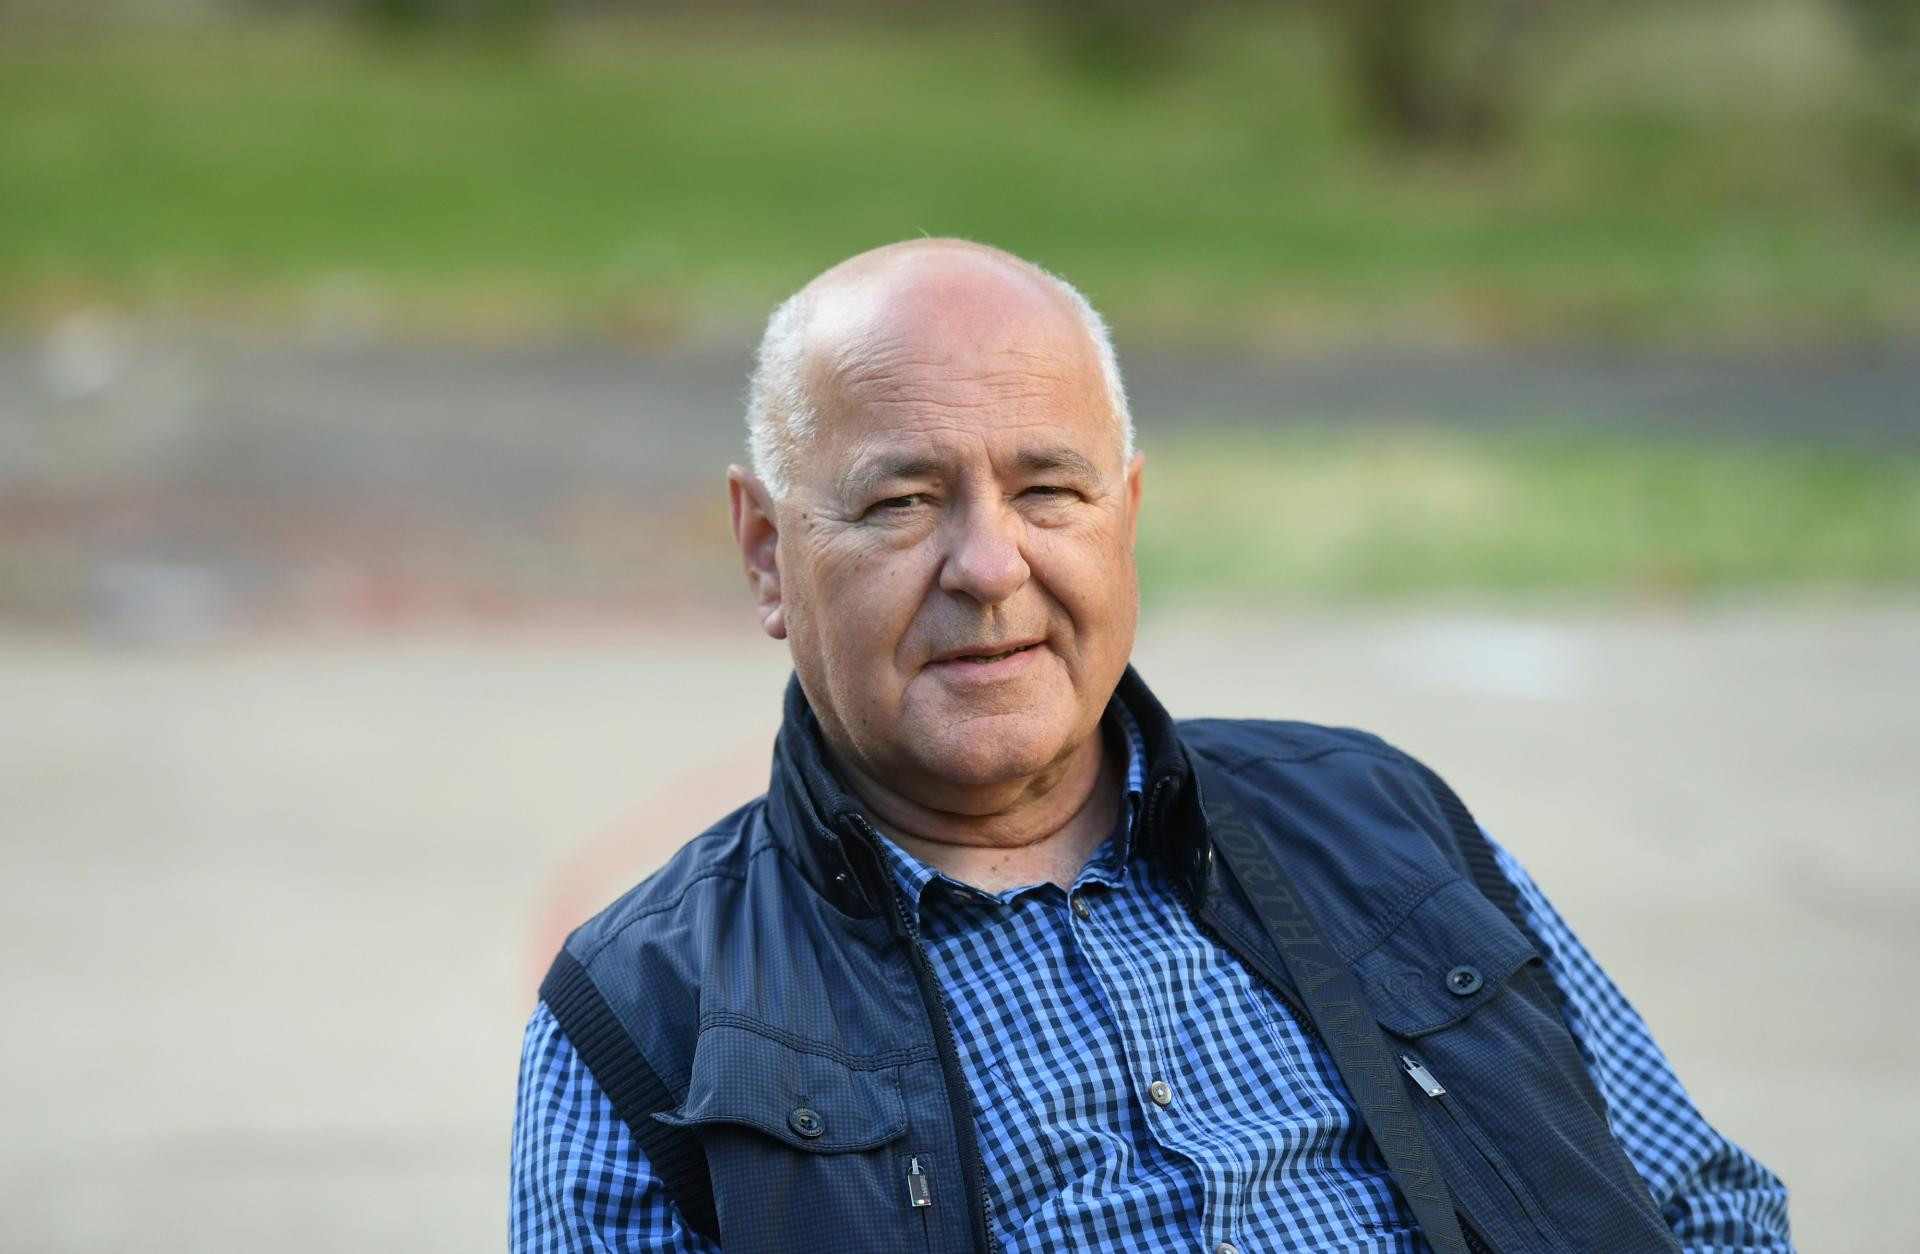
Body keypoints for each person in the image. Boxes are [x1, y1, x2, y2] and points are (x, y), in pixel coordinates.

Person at [510, 239, 1791, 1253]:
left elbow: (1705, 1213)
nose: (990, 565)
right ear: (765, 553)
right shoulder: (641, 1015)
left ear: (1124, 515)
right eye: (902, 501)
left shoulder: (1382, 817)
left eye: (1048, 490)